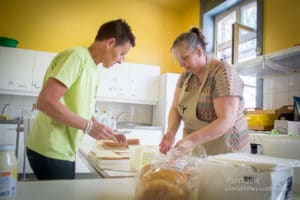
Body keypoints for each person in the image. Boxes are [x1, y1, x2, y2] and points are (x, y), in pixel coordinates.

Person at [26, 19, 136, 180]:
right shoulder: (77, 57)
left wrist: (104, 130)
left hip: (63, 150)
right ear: (111, 42)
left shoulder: (93, 69)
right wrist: (90, 127)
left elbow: (80, 108)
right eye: (122, 54)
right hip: (50, 149)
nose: (121, 60)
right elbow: (46, 101)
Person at [159, 27, 249, 156]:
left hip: (225, 149)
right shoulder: (186, 76)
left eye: (184, 58)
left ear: (199, 52)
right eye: (179, 61)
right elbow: (175, 108)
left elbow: (226, 120)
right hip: (197, 146)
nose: (181, 65)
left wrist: (190, 140)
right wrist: (170, 133)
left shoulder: (222, 73)